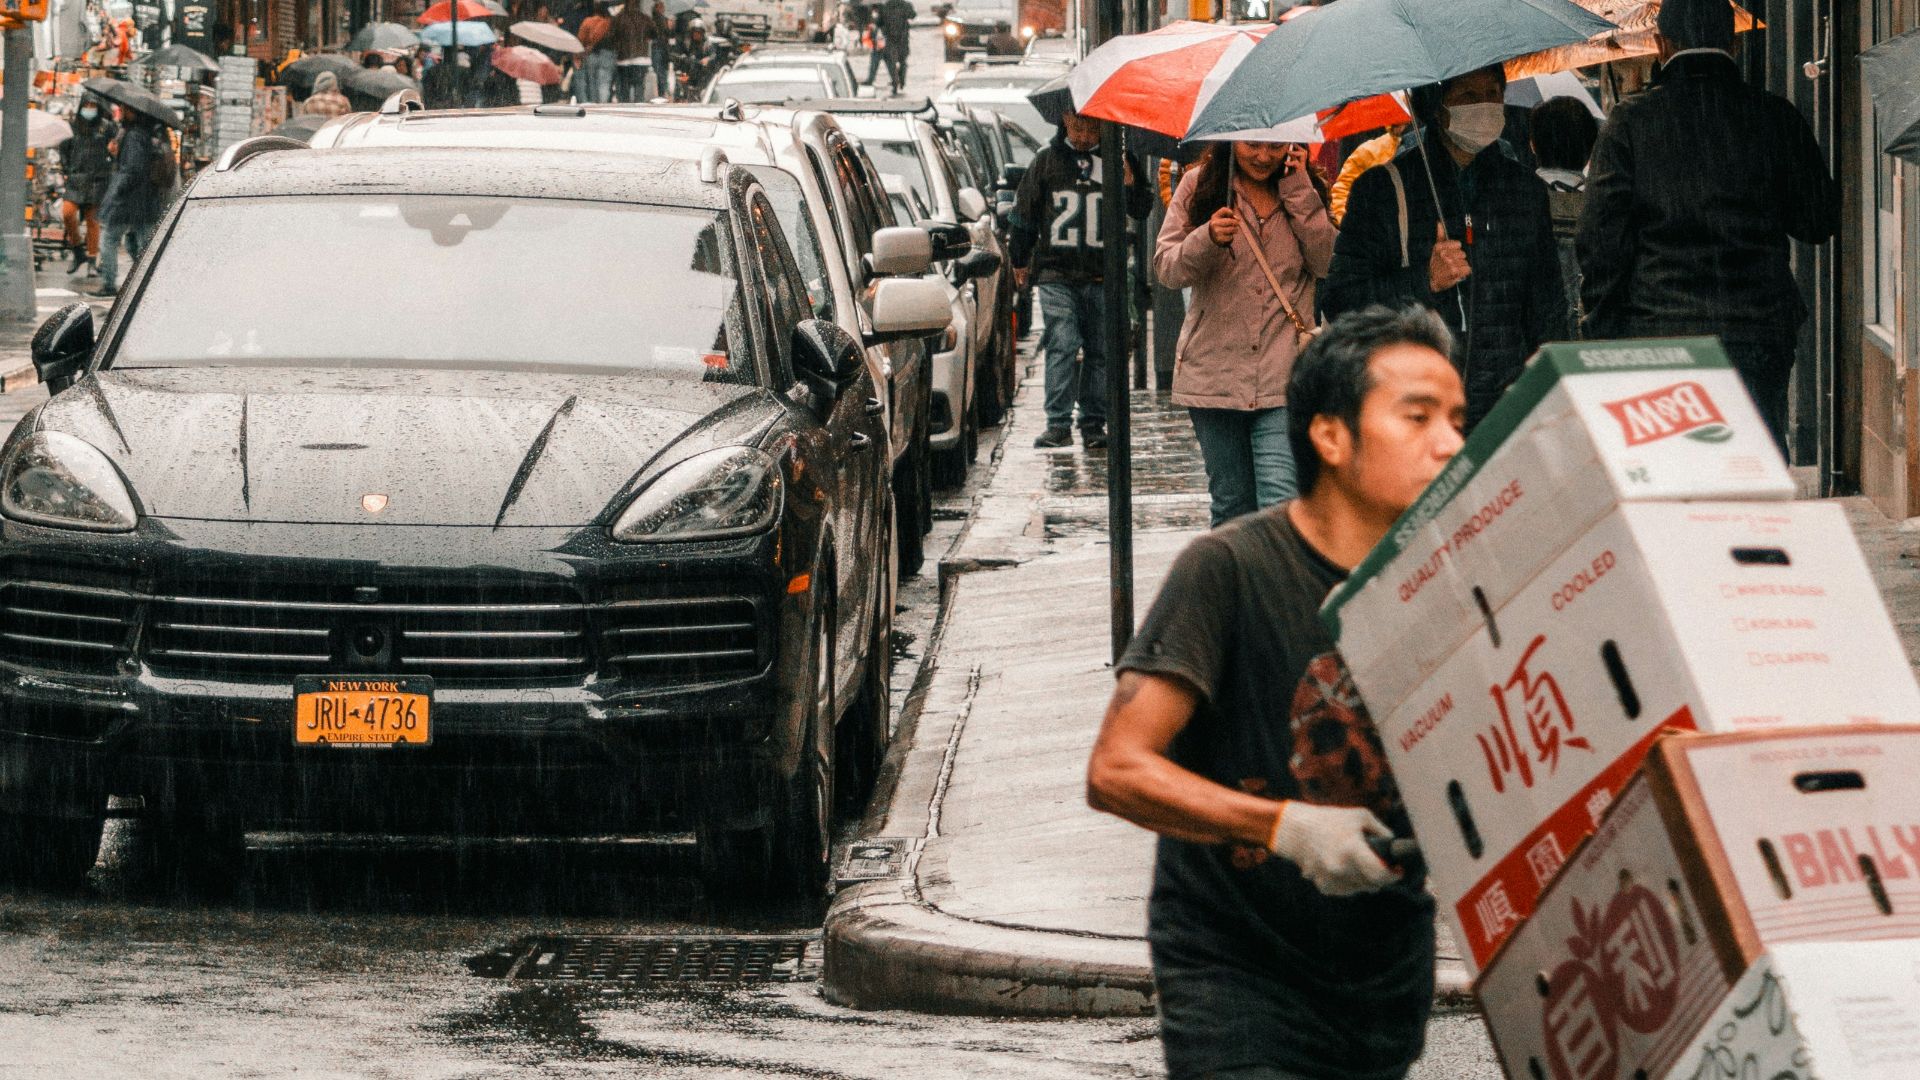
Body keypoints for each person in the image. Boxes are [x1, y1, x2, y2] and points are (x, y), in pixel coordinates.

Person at [1088, 304, 1464, 1080]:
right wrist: (1284, 827)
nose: (1451, 444)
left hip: (1383, 980)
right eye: (1418, 417)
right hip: (1238, 972)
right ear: (1331, 436)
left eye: (1458, 419)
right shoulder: (1227, 571)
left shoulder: (1455, 585)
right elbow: (1117, 769)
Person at [1577, 0, 1837, 456]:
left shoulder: (1630, 123)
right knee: (1753, 471)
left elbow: (1602, 241)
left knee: (1675, 474)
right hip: (1756, 333)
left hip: (1661, 333)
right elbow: (1818, 221)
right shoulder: (1773, 116)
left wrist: (1602, 331)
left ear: (1661, 45)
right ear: (1733, 42)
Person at [1321, 64, 1569, 430]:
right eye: (1468, 96)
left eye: (1493, 94)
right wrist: (1425, 280)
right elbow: (1341, 301)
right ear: (1437, 106)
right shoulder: (1382, 190)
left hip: (1506, 410)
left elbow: (1547, 304)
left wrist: (1546, 385)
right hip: (1414, 408)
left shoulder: (1523, 189)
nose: (1484, 105)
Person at [1156, 140, 1337, 526]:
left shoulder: (1306, 187)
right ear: (1231, 140)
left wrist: (1300, 192)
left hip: (1284, 373)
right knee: (1232, 507)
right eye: (1252, 145)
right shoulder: (1197, 185)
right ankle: (1234, 587)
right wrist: (1206, 239)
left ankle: (1274, 587)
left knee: (1281, 504)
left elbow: (1326, 264)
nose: (1263, 156)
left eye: (1274, 146)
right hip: (1214, 376)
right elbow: (1168, 269)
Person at [1009, 106, 1152, 451]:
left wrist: (1132, 184)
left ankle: (1093, 421)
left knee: (1101, 349)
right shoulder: (1047, 161)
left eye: (1093, 129)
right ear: (1065, 122)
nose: (1085, 136)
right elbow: (1024, 213)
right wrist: (1020, 258)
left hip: (1105, 273)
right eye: (1078, 128)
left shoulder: (1119, 160)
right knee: (1063, 341)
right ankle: (1057, 422)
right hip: (1057, 271)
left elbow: (1142, 208)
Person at [1529, 96, 1599, 331]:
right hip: (1592, 336)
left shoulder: (1519, 201)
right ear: (1590, 150)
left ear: (1533, 145)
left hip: (1535, 339)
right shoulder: (1604, 205)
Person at [93, 111, 175, 299]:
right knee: (142, 242)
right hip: (146, 199)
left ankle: (109, 284)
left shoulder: (134, 136)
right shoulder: (147, 135)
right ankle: (148, 281)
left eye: (125, 109)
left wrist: (118, 190)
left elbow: (133, 169)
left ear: (134, 113)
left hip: (129, 199)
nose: (121, 111)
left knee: (109, 239)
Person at [58, 98, 117, 278]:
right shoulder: (73, 125)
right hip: (76, 178)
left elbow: (115, 150)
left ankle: (92, 260)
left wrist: (111, 156)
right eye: (86, 106)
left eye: (93, 106)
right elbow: (64, 149)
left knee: (93, 221)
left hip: (98, 179)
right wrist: (67, 169)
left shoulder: (106, 127)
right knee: (68, 212)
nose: (89, 109)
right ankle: (77, 251)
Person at [609, 0, 657, 102]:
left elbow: (611, 37)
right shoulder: (645, 18)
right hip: (641, 59)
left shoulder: (618, 18)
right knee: (639, 86)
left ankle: (626, 109)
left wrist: (619, 44)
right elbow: (655, 34)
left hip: (623, 59)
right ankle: (639, 108)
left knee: (624, 88)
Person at [574, 1, 615, 103]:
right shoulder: (609, 23)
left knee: (592, 83)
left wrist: (579, 54)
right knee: (604, 83)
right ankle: (603, 104)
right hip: (608, 54)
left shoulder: (587, 21)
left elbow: (580, 41)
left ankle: (594, 105)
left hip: (591, 55)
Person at [875, 0, 913, 94]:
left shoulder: (885, 7)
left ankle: (895, 81)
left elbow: (879, 22)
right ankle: (902, 80)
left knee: (891, 61)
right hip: (903, 38)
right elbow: (912, 15)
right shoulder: (905, 5)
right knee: (903, 61)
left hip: (891, 39)